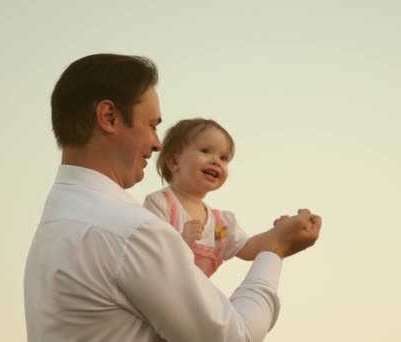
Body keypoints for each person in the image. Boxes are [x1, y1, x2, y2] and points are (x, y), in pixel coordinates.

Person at [23, 53, 322, 342]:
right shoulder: (132, 231)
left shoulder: (58, 222)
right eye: (152, 124)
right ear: (109, 116)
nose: (157, 143)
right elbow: (234, 336)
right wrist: (275, 250)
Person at [144, 118, 287, 277]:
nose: (216, 161)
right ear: (174, 161)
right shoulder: (161, 204)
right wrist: (182, 241)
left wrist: (279, 233)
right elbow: (148, 256)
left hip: (193, 300)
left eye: (224, 158)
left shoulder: (221, 224)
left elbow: (248, 248)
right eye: (205, 151)